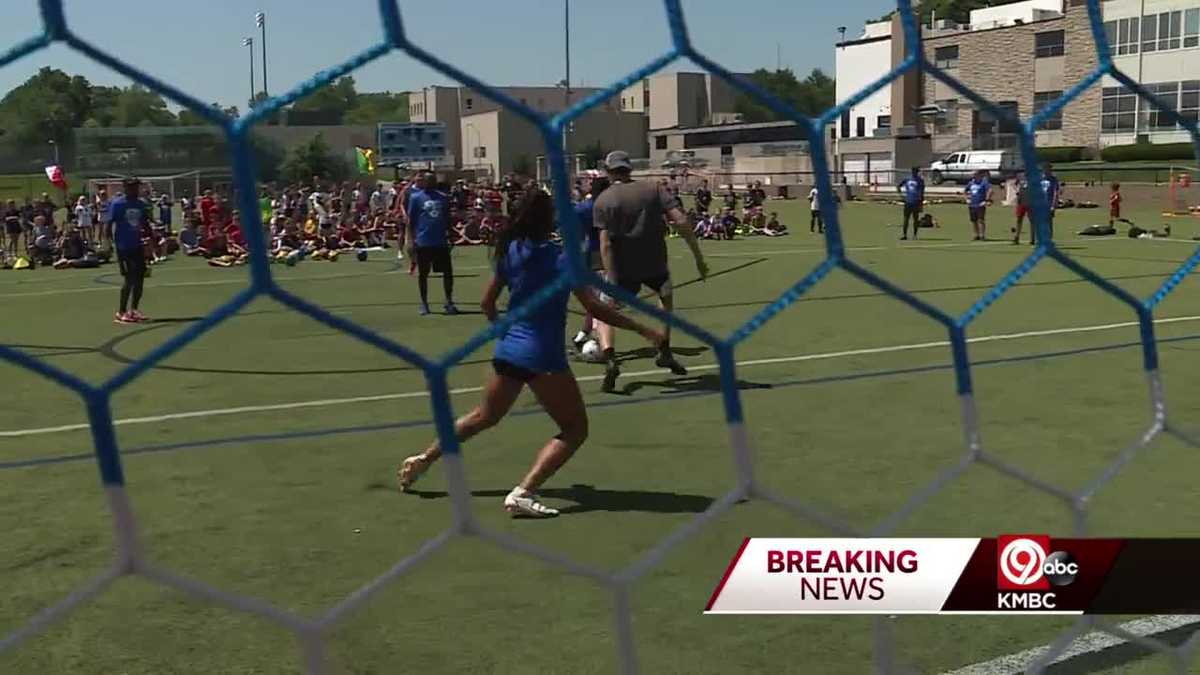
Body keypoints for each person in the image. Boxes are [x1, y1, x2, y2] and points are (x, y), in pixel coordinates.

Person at [396, 188, 666, 517]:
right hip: (543, 356)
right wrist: (644, 329)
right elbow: (595, 307)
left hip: (508, 350)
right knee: (575, 430)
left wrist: (504, 332)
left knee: (483, 417)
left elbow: (487, 303)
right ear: (546, 219)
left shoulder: (510, 250)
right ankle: (523, 492)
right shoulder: (562, 258)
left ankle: (424, 459)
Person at [592, 150, 709, 393]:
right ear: (629, 169)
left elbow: (605, 244)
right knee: (665, 300)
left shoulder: (603, 200)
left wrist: (610, 276)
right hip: (655, 263)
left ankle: (610, 358)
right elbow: (681, 221)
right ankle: (664, 349)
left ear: (608, 171)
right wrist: (698, 258)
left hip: (621, 268)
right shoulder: (654, 189)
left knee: (605, 312)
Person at [405, 171, 458, 315]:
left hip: (440, 241)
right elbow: (410, 221)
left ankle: (449, 301)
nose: (430, 182)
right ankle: (424, 303)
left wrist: (451, 235)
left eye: (432, 180)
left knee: (448, 273)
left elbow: (447, 219)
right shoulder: (416, 198)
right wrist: (410, 240)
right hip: (423, 241)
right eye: (428, 180)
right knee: (423, 274)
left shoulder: (443, 198)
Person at [571, 176, 611, 353]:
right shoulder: (607, 207)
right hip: (603, 254)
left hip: (586, 253)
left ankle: (582, 336)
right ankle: (596, 339)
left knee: (595, 298)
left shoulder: (582, 208)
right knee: (600, 300)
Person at [108, 178, 151, 324]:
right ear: (125, 188)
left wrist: (151, 239)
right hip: (123, 247)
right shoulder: (117, 204)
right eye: (132, 187)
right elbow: (109, 224)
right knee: (129, 278)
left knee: (140, 278)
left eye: (136, 187)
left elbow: (145, 222)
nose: (135, 190)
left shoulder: (140, 204)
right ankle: (121, 311)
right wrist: (109, 243)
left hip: (137, 245)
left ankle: (134, 309)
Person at [1034, 163, 1060, 246]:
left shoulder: (1053, 180)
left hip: (1048, 204)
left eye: (1048, 169)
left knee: (1048, 223)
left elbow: (1056, 193)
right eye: (1045, 169)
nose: (1047, 171)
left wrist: (1053, 205)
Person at [897, 167, 925, 240]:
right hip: (910, 201)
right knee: (907, 219)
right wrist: (902, 196)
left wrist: (921, 202)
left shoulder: (919, 180)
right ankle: (906, 235)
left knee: (914, 219)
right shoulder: (909, 179)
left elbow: (922, 192)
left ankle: (913, 235)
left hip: (915, 202)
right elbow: (898, 186)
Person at [965, 170, 992, 241]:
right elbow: (965, 191)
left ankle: (982, 235)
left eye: (975, 175)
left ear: (979, 175)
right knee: (974, 221)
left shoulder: (984, 183)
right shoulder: (971, 183)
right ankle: (976, 235)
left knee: (981, 220)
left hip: (980, 204)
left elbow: (990, 190)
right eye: (973, 175)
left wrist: (986, 200)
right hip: (972, 204)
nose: (973, 176)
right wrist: (967, 199)